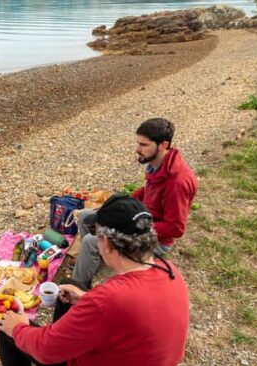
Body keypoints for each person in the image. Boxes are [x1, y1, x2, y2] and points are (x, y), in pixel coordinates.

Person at [0, 195, 189, 366]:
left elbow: (45, 350)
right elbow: (127, 314)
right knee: (71, 286)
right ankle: (63, 337)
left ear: (108, 244)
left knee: (6, 326)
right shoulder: (168, 269)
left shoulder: (109, 299)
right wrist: (85, 298)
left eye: (97, 233)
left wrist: (17, 327)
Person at [72, 118, 197, 290]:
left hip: (154, 239)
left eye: (143, 145)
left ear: (163, 145)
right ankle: (97, 259)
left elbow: (176, 228)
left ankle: (78, 287)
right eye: (138, 143)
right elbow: (146, 190)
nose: (137, 149)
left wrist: (132, 229)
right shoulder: (158, 165)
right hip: (141, 221)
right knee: (87, 216)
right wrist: (117, 207)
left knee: (89, 241)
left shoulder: (177, 183)